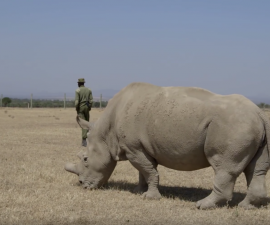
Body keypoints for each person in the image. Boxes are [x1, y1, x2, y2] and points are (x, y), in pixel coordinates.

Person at [75, 78, 93, 147]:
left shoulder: (77, 90)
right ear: (84, 83)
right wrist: (89, 107)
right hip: (87, 107)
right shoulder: (89, 90)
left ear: (79, 83)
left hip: (81, 108)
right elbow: (91, 100)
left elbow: (76, 102)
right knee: (87, 123)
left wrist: (77, 109)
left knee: (83, 124)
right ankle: (88, 138)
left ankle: (84, 140)